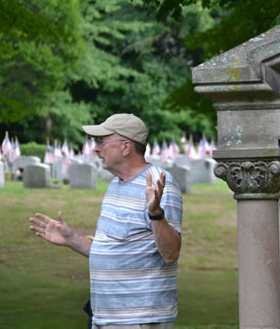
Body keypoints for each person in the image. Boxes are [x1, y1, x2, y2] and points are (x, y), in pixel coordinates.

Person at [28, 114, 183, 329]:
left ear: (126, 147)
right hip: (106, 316)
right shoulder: (116, 185)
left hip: (138, 319)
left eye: (101, 142)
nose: (95, 149)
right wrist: (71, 239)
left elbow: (171, 253)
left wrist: (156, 213)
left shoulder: (158, 183)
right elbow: (112, 249)